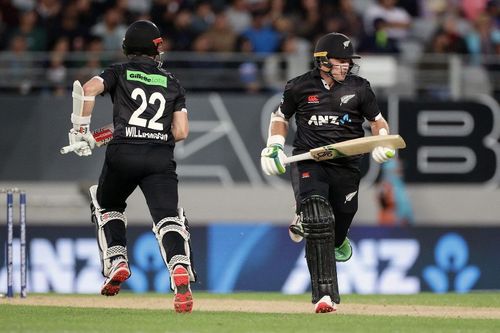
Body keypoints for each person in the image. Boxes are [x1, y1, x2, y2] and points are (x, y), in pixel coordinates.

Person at [65, 20, 196, 313]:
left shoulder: (118, 71)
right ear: (155, 49)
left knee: (107, 203)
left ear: (127, 47)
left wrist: (80, 130)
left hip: (123, 154)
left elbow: (87, 90)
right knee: (168, 219)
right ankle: (179, 268)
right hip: (161, 157)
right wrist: (105, 135)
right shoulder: (172, 81)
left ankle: (118, 260)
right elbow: (181, 131)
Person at [260, 32, 395, 313]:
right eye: (340, 61)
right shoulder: (298, 87)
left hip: (347, 165)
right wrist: (273, 145)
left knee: (336, 227)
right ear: (322, 61)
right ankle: (325, 296)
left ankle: (324, 229)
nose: (345, 66)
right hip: (310, 162)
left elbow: (378, 122)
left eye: (348, 61)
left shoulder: (360, 88)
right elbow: (280, 117)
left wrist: (383, 141)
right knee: (319, 219)